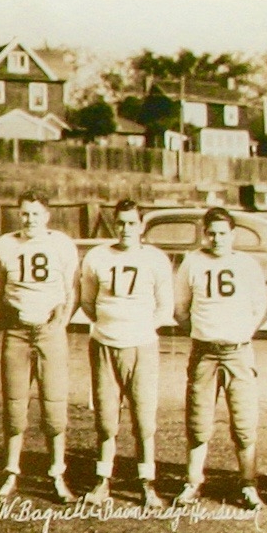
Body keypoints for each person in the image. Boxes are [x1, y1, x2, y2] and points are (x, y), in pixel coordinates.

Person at [76, 200, 175, 507]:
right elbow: (88, 302)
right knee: (106, 419)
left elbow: (165, 307)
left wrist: (139, 330)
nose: (126, 229)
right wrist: (111, 325)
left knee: (144, 419)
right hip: (105, 344)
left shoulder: (156, 260)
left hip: (141, 347)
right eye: (121, 223)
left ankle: (147, 482)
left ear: (141, 226)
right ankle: (103, 480)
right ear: (114, 224)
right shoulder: (97, 257)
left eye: (132, 223)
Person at [173, 207, 267, 507]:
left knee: (244, 421)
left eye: (223, 233)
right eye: (212, 233)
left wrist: (239, 334)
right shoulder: (192, 262)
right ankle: (193, 482)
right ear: (205, 234)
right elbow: (181, 310)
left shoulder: (248, 265)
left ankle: (248, 483)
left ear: (233, 235)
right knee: (199, 420)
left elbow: (260, 308)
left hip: (238, 352)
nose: (217, 239)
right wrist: (206, 333)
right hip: (205, 352)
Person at [0, 193, 80, 501]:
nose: (30, 220)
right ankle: (11, 472)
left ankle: (57, 473)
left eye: (36, 214)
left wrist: (62, 321)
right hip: (17, 333)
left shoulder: (61, 244)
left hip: (50, 333)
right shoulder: (5, 245)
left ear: (47, 216)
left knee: (54, 406)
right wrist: (9, 318)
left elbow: (71, 289)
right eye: (25, 214)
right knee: (14, 406)